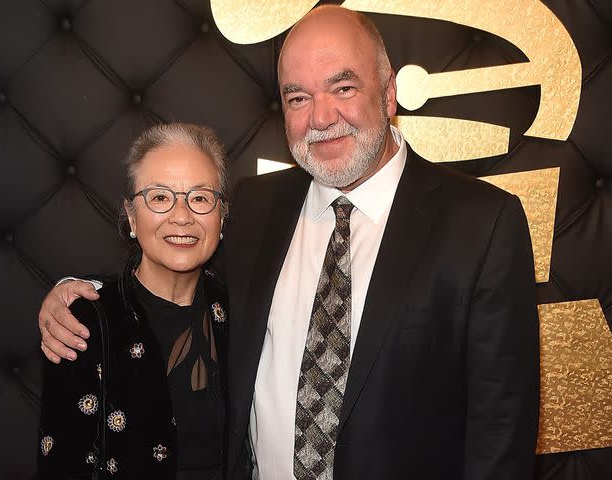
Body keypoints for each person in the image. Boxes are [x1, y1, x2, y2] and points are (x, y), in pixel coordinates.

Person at [38, 6, 540, 480]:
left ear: (388, 94)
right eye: (298, 97)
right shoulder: (257, 206)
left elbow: (501, 433)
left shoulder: (482, 225)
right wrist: (72, 293)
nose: (321, 118)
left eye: (342, 87)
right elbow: (175, 272)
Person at [37, 123, 230, 479]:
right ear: (131, 216)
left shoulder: (241, 310)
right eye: (159, 197)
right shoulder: (85, 323)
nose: (182, 216)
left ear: (221, 218)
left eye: (200, 198)